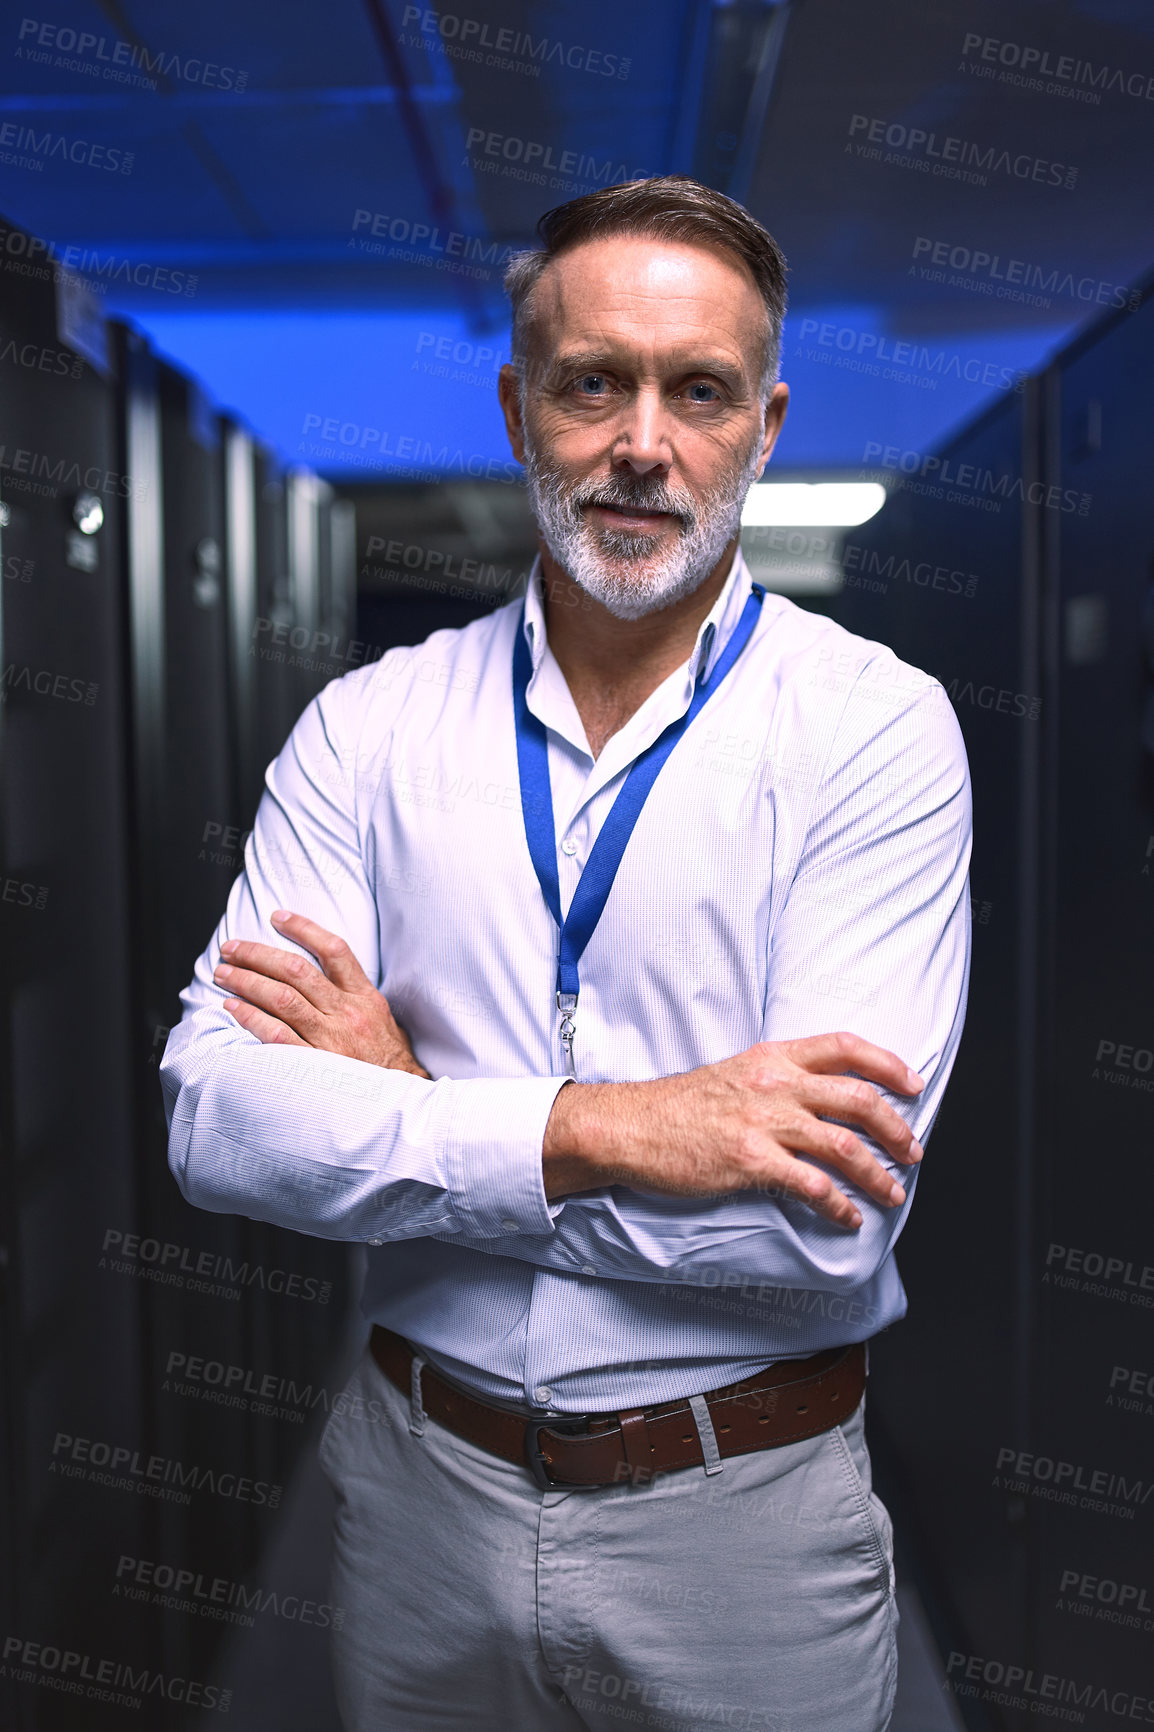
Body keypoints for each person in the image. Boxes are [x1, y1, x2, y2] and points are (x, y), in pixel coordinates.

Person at [161, 175, 971, 1731]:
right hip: (414, 1499)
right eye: (591, 381)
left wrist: (408, 1113)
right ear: (519, 406)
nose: (641, 443)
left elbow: (813, 1244)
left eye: (698, 390)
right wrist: (614, 1129)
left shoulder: (875, 733)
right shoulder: (369, 729)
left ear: (767, 422)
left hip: (740, 1526)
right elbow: (218, 1124)